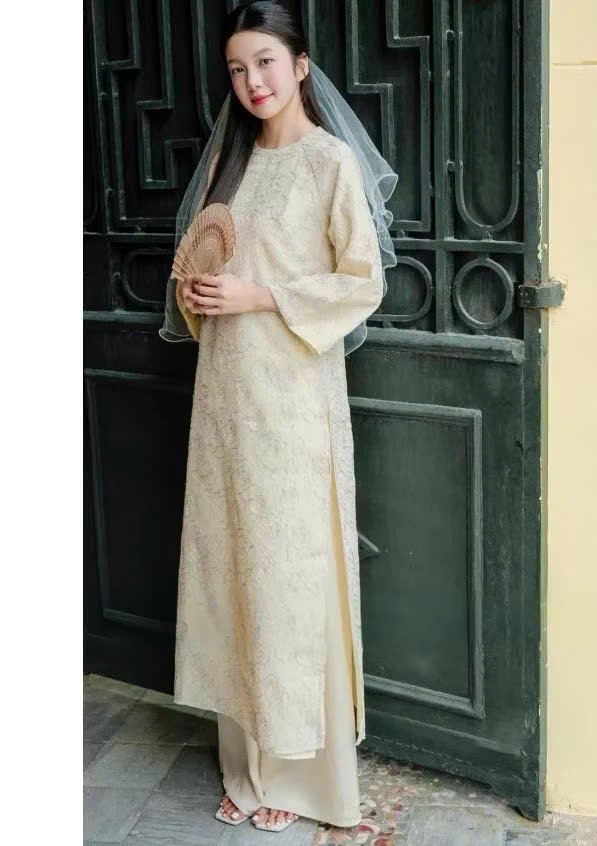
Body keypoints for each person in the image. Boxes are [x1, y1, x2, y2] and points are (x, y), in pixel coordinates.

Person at [160, 0, 396, 833]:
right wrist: (198, 298)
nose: (252, 81)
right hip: (226, 402)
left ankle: (306, 783)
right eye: (237, 68)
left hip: (294, 402)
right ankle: (248, 767)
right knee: (235, 573)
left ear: (299, 66)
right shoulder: (229, 166)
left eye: (264, 61)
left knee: (291, 580)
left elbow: (363, 281)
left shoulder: (330, 162)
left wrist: (259, 295)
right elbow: (201, 281)